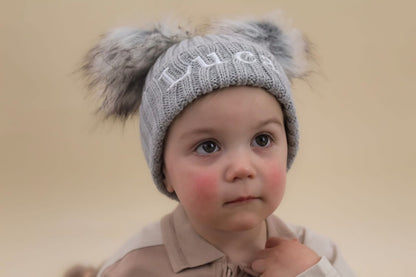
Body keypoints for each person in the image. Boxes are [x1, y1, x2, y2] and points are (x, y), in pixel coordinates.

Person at [81, 13, 355, 277]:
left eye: (262, 140)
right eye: (208, 146)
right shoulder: (135, 267)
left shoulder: (318, 257)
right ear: (165, 172)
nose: (242, 168)